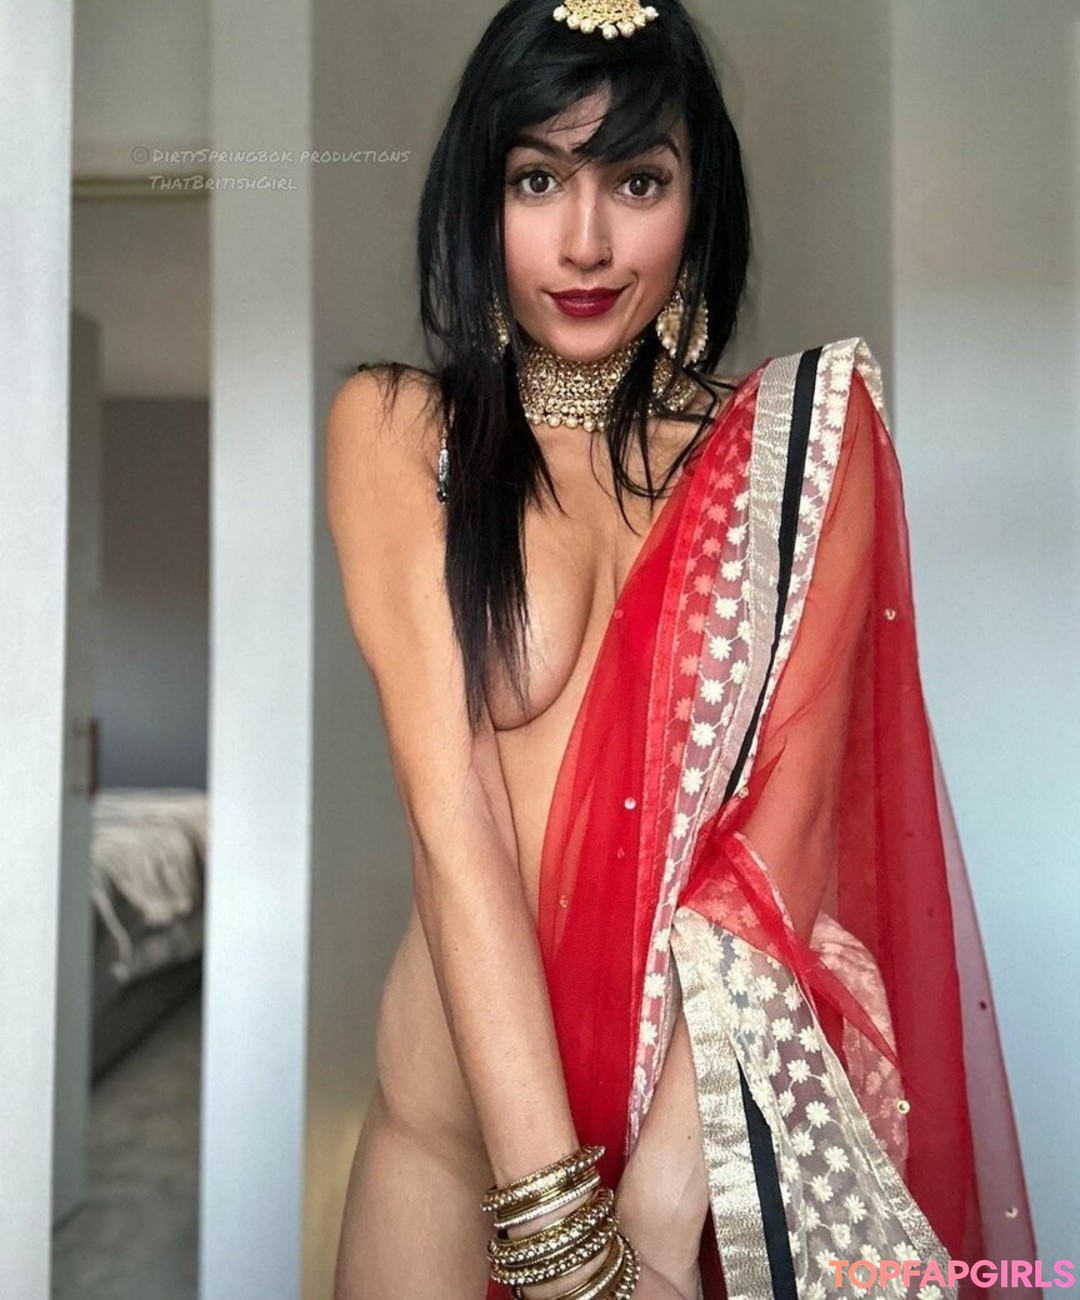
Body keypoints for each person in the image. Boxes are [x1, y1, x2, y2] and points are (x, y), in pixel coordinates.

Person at [325, 1, 1038, 1297]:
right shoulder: (401, 431)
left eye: (637, 182)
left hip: (693, 1169)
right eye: (537, 179)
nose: (585, 242)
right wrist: (565, 1242)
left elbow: (781, 846)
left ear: (699, 203)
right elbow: (453, 819)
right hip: (453, 1162)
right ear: (479, 196)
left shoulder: (795, 458)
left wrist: (651, 1225)